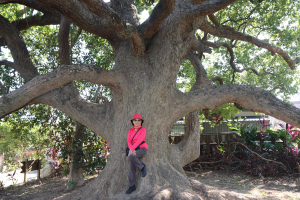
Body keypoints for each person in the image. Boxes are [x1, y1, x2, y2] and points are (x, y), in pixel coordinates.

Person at [126, 113, 148, 194]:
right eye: (135, 120)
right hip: (133, 150)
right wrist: (131, 149)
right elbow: (128, 140)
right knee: (131, 166)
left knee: (131, 156)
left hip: (142, 149)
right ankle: (132, 186)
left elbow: (140, 140)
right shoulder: (130, 130)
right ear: (133, 121)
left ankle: (142, 167)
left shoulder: (143, 130)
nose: (137, 121)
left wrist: (131, 149)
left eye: (139, 120)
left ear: (141, 121)